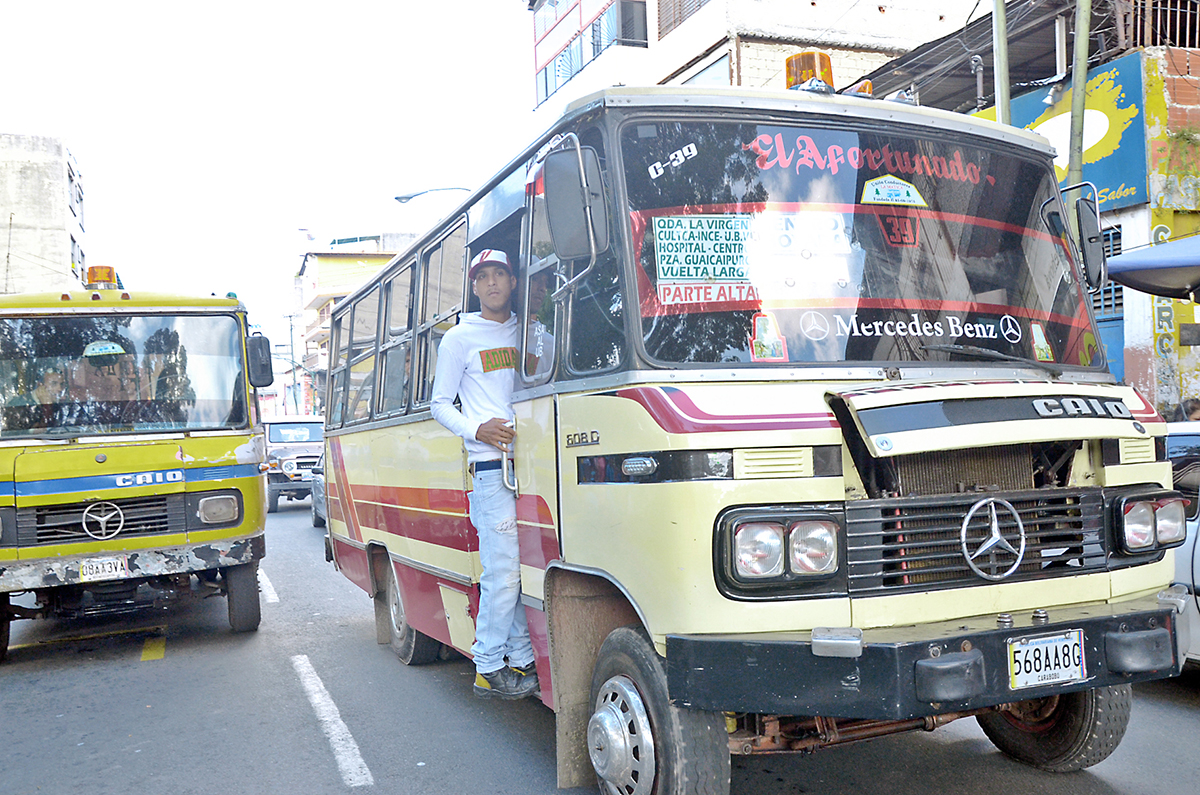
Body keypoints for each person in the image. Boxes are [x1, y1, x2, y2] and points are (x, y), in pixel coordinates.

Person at [430, 248, 539, 700]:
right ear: (474, 288)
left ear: (513, 282)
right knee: (502, 568)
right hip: (493, 469)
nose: (492, 283)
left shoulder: (533, 332)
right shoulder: (459, 338)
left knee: (516, 567)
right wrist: (477, 428)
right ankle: (488, 664)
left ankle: (523, 657)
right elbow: (438, 404)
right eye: (483, 277)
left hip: (534, 466)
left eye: (500, 274)